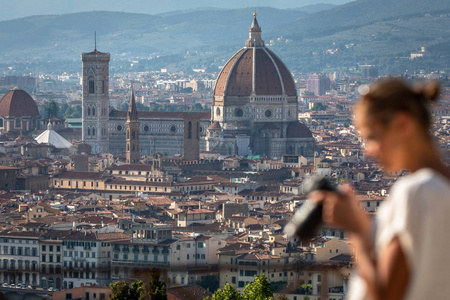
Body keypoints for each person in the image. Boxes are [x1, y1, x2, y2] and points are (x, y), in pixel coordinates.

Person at [311, 78, 450, 300]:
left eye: (372, 138)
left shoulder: (417, 191)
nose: (367, 151)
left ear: (403, 125)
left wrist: (355, 229)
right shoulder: (440, 189)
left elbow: (386, 295)